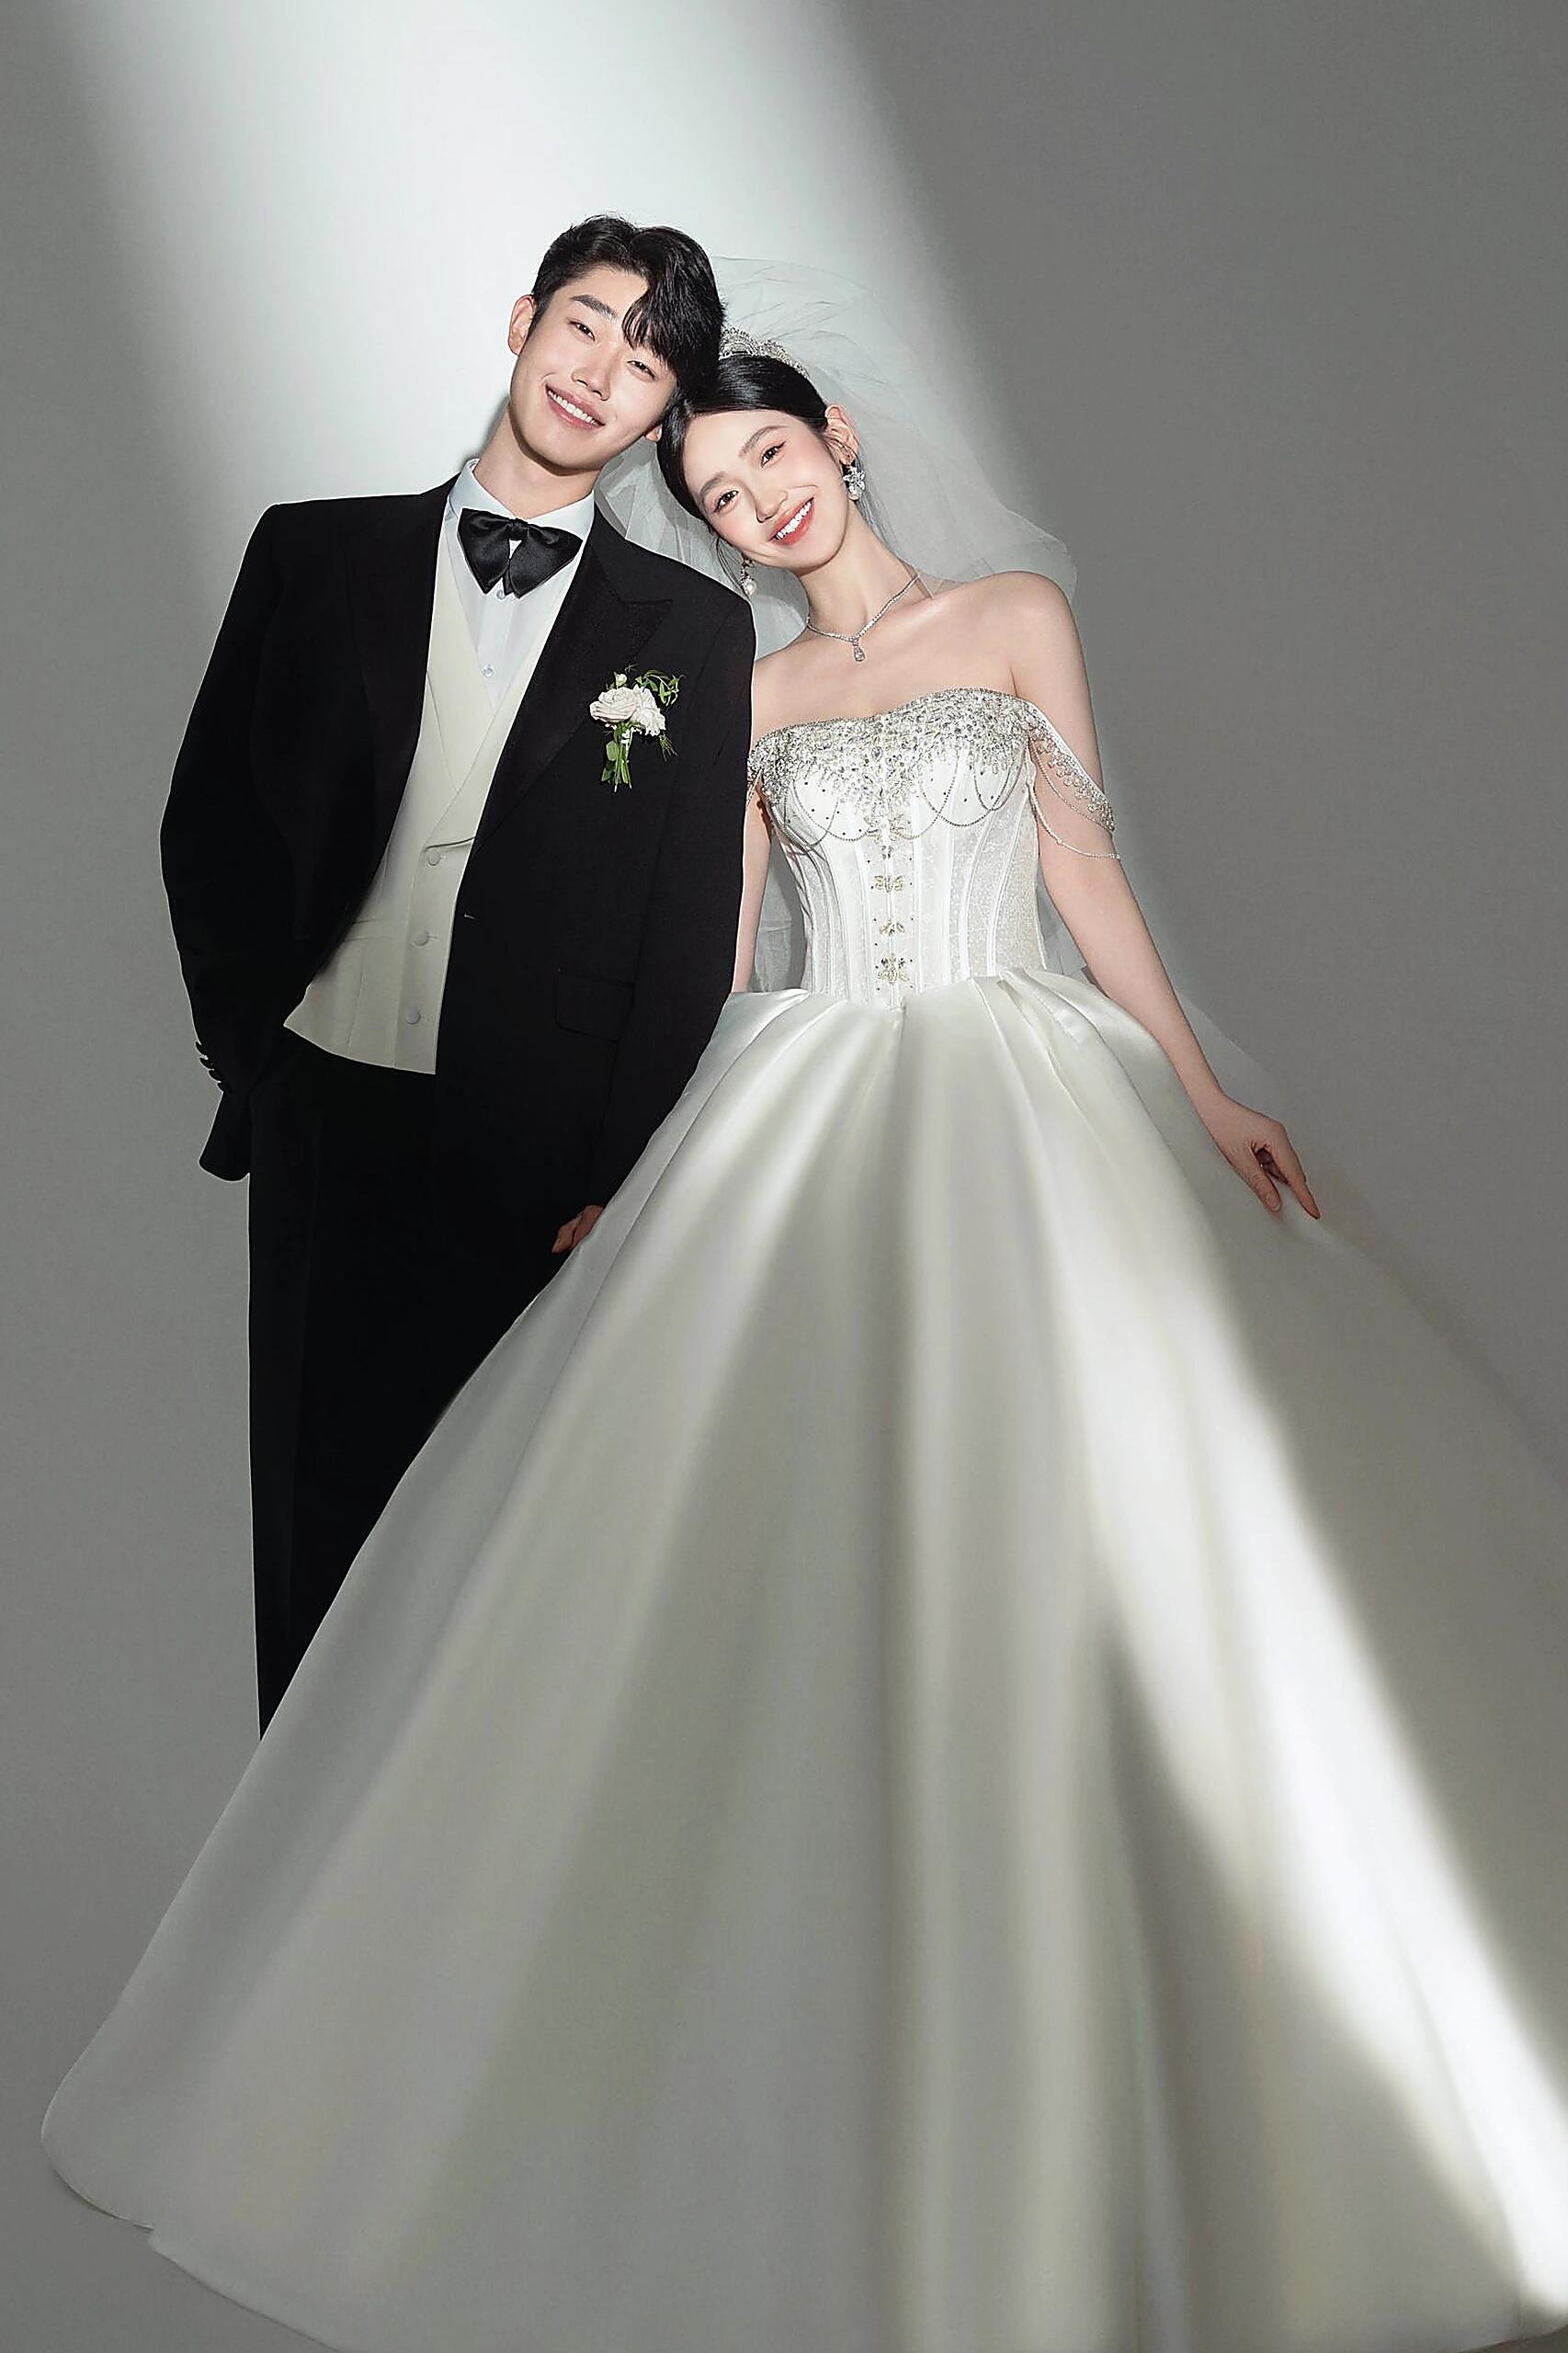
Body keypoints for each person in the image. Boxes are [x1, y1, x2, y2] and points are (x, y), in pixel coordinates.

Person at [44, 295, 1568, 2353]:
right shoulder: (743, 690)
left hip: (1021, 1080)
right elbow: (724, 950)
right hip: (813, 1081)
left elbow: (1078, 860)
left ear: (835, 436)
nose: (751, 501)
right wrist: (648, 1157)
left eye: (764, 456)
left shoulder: (1014, 617)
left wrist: (1200, 1084)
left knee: (1112, 1535)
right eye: (712, 490)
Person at [159, 214, 755, 1731]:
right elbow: (208, 817)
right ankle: (298, 1865)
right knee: (308, 1537)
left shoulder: (692, 630)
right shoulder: (312, 551)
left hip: (534, 1161)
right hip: (323, 1107)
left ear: (660, 416)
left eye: (644, 363)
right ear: (521, 321)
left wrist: (619, 1170)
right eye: (584, 323)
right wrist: (254, 1053)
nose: (598, 371)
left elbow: (685, 925)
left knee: (499, 1567)